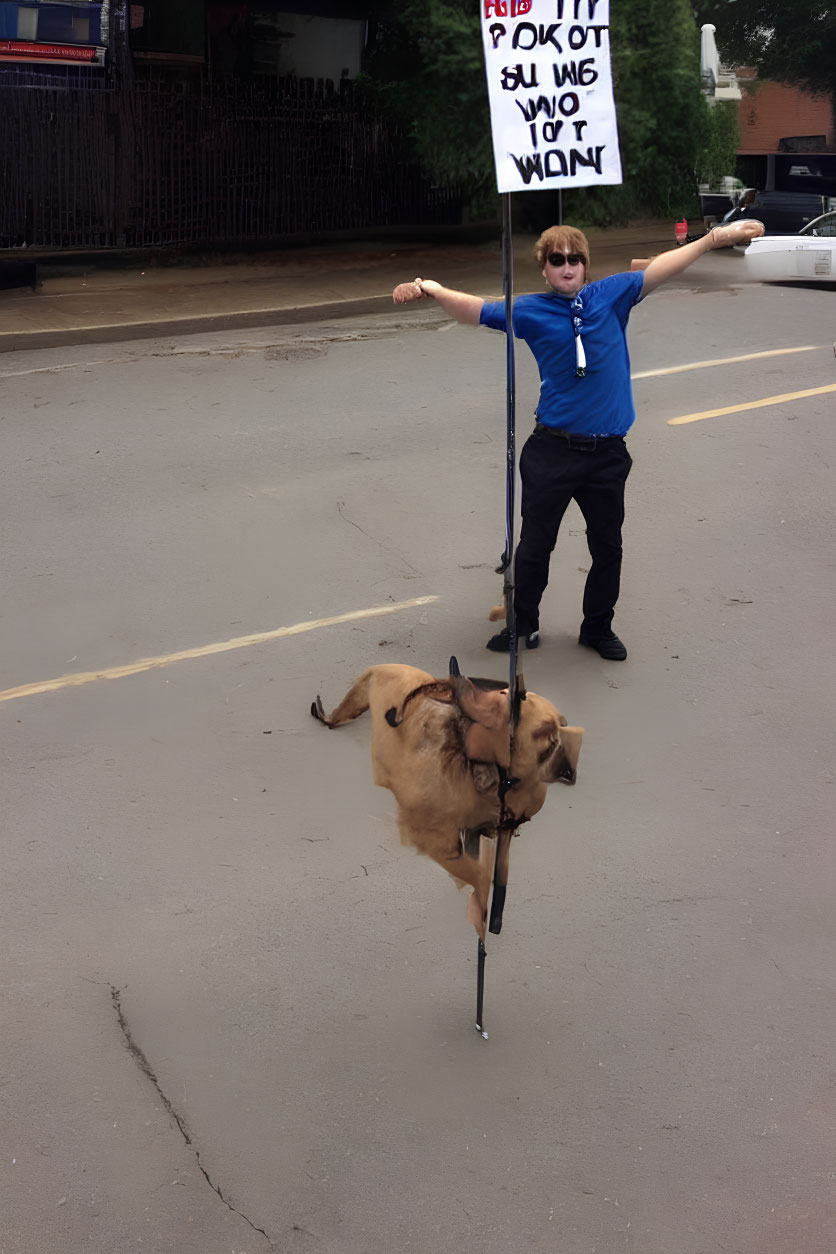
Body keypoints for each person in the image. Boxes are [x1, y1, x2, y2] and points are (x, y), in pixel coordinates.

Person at [393, 218, 763, 660]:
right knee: (535, 546)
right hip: (552, 451)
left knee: (608, 547)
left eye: (575, 258)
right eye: (557, 259)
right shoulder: (530, 310)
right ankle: (523, 625)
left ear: (586, 266)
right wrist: (434, 290)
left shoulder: (612, 295)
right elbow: (475, 310)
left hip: (607, 453)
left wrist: (711, 240)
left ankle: (597, 628)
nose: (567, 266)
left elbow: (663, 268)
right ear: (545, 270)